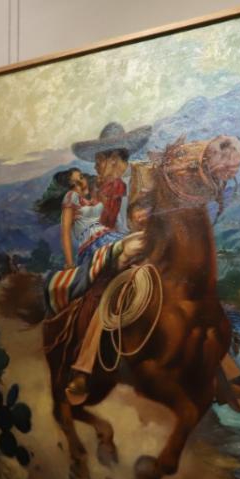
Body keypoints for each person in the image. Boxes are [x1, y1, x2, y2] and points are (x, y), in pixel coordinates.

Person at [58, 122, 152, 404]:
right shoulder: (95, 189)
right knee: (102, 293)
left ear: (113, 159)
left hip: (137, 244)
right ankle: (83, 367)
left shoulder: (138, 180)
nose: (97, 165)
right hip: (107, 250)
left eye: (100, 159)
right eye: (98, 160)